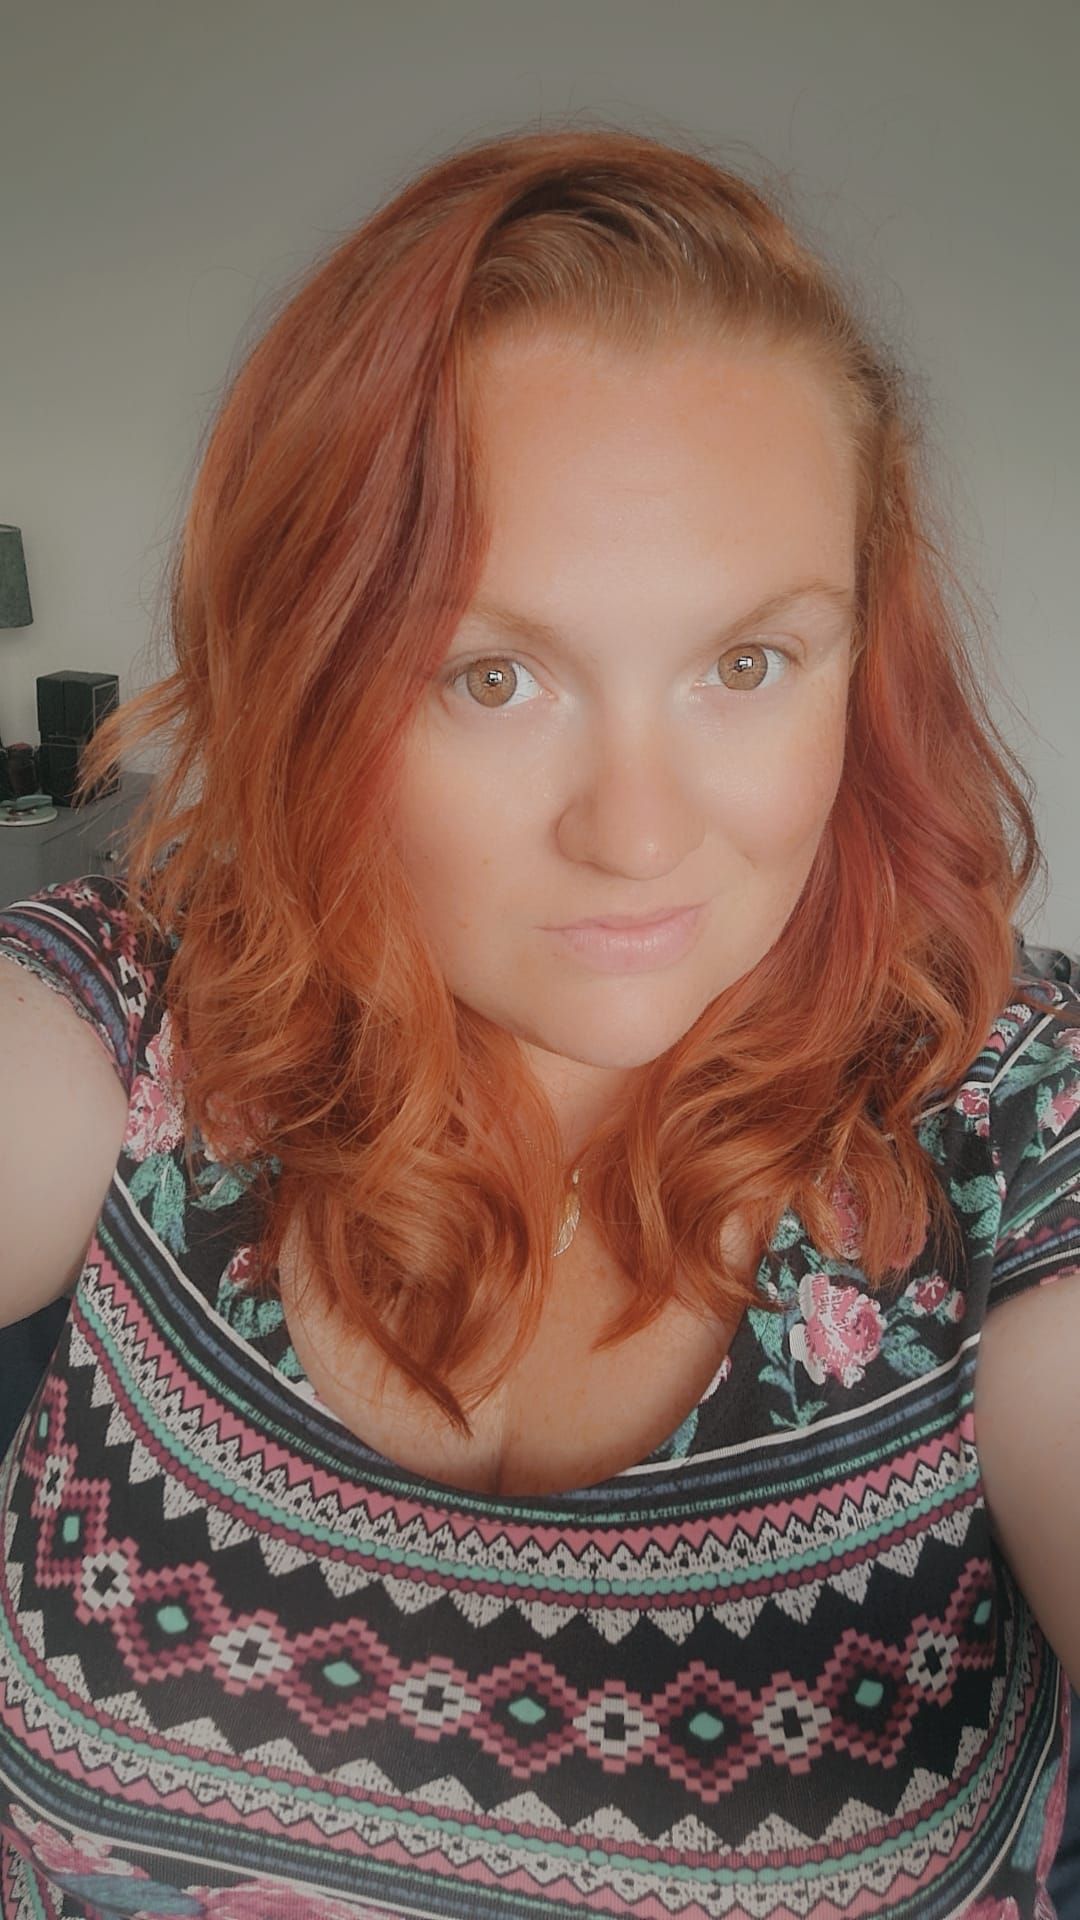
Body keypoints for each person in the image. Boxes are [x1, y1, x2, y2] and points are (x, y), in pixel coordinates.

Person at [0, 122, 1077, 1920]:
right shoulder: (142, 1000)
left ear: (861, 664)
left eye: (747, 663)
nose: (639, 835)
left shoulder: (1014, 1113)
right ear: (311, 672)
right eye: (489, 676)